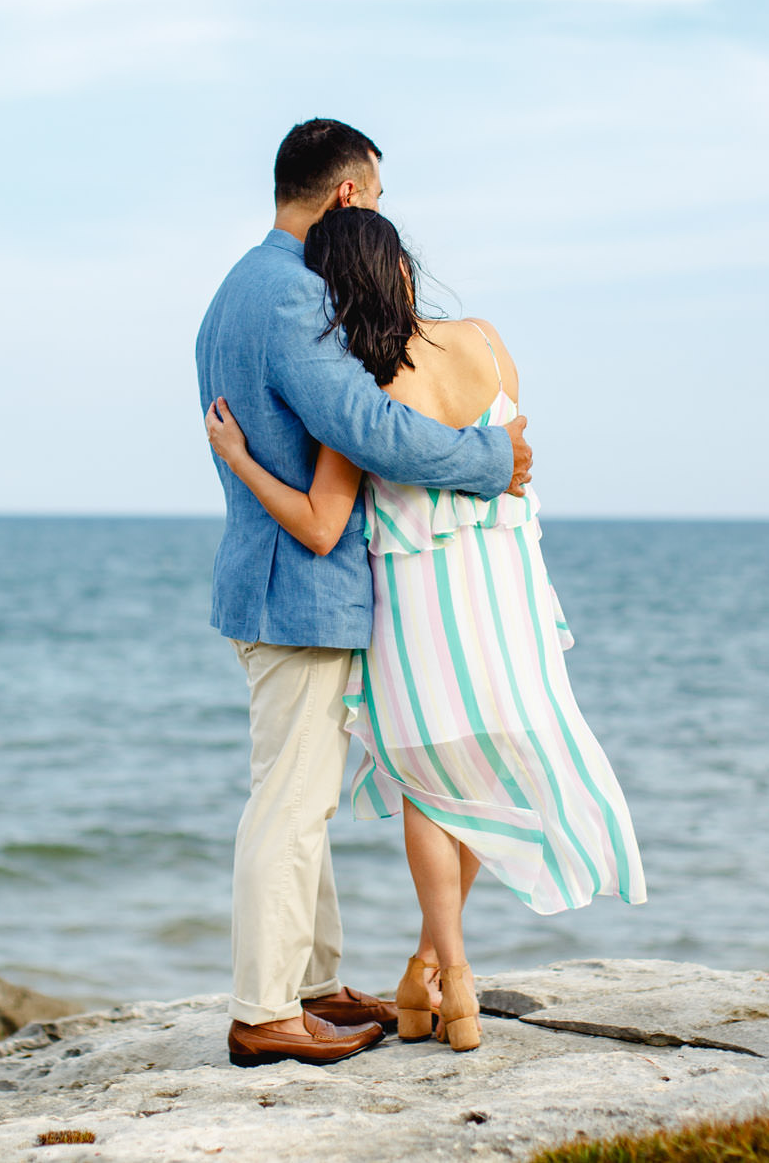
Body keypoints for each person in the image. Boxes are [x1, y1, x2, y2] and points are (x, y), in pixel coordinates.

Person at [205, 205, 645, 1055]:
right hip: (509, 589)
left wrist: (240, 459)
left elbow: (324, 523)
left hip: (419, 605)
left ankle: (449, 976)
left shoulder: (366, 386)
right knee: (481, 763)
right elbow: (515, 445)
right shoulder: (483, 340)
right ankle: (417, 972)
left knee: (431, 784)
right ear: (402, 267)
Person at [194, 119, 533, 1068]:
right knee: (292, 806)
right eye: (377, 200)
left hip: (267, 581)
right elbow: (368, 424)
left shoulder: (235, 290)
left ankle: (309, 983)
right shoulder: (293, 297)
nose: (380, 217)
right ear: (348, 195)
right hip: (296, 589)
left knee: (301, 796)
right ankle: (265, 1010)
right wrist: (488, 456)